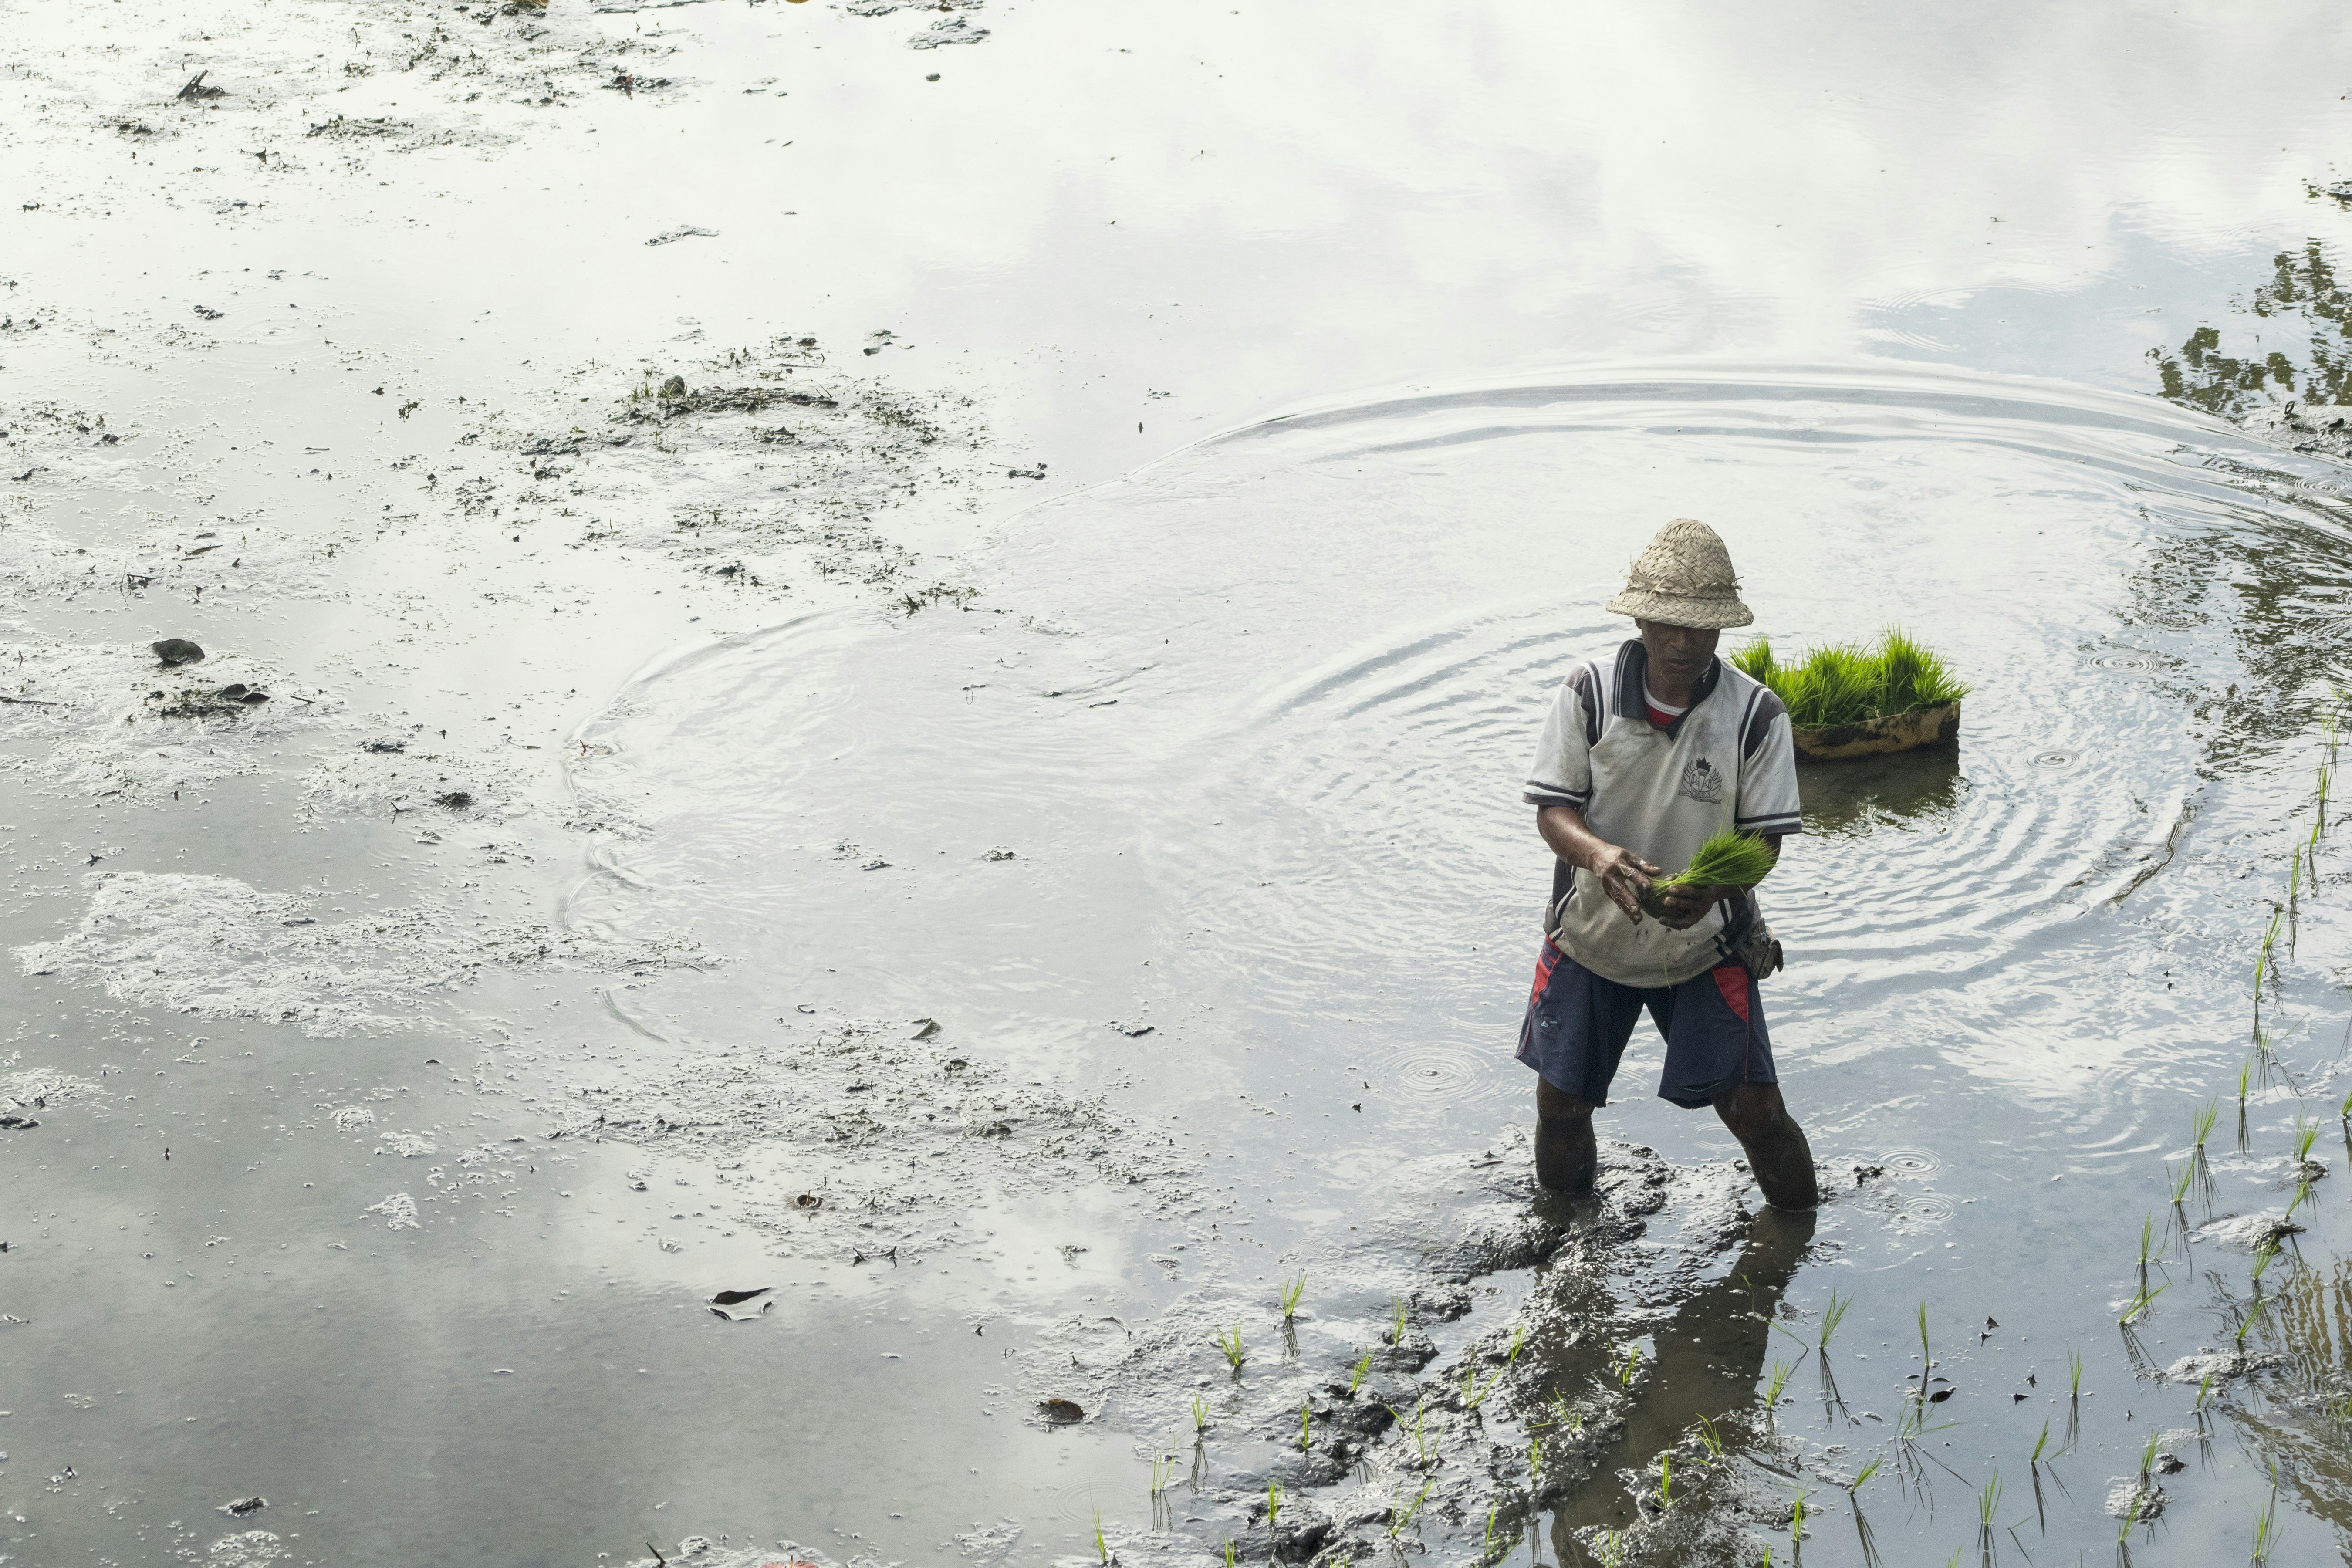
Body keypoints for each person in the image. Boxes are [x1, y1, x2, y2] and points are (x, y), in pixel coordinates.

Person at [1517, 518, 1818, 1210]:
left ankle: (1799, 1234)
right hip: (1590, 935)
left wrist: (1711, 889)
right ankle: (1565, 1233)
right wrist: (1599, 855)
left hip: (1707, 942)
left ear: (1720, 630)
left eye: (1702, 628)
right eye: (1670, 624)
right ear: (1643, 621)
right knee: (1560, 1102)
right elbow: (1552, 812)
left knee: (1753, 1109)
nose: (1685, 642)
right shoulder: (1588, 694)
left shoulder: (1755, 716)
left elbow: (1764, 843)